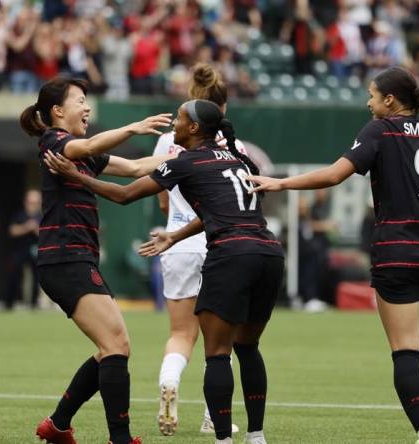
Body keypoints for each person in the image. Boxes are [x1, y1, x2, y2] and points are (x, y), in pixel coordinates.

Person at [248, 66, 419, 444]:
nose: (368, 102)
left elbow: (334, 176)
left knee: (405, 349)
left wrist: (280, 182)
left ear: (390, 100)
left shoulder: (380, 131)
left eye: (372, 95)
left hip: (397, 250)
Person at [44, 98, 285, 444]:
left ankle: (223, 440)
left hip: (231, 255)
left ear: (195, 129)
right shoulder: (237, 158)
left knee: (216, 353)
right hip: (269, 253)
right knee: (248, 348)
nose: (175, 123)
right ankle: (257, 436)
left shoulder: (185, 161)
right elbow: (227, 212)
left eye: (181, 119)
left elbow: (126, 195)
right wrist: (175, 235)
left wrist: (75, 176)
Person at [20, 76, 171, 444]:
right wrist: (133, 127)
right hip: (64, 260)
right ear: (58, 111)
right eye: (80, 100)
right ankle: (119, 439)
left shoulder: (86, 155)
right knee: (116, 345)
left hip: (77, 259)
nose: (87, 107)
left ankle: (57, 425)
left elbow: (137, 169)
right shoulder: (54, 142)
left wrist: (182, 160)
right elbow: (85, 144)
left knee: (111, 348)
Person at [151, 63, 247, 436]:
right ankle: (214, 415)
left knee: (180, 334)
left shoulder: (166, 141)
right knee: (219, 340)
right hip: (221, 244)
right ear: (221, 109)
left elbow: (162, 202)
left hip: (176, 242)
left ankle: (169, 380)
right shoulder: (231, 144)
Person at [6, 188, 41, 310]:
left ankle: (34, 304)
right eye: (30, 202)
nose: (33, 205)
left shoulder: (43, 217)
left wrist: (36, 229)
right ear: (25, 202)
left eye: (36, 203)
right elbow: (12, 231)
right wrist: (26, 227)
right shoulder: (19, 215)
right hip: (19, 250)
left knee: (37, 278)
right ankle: (9, 304)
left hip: (36, 251)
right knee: (14, 276)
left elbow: (49, 235)